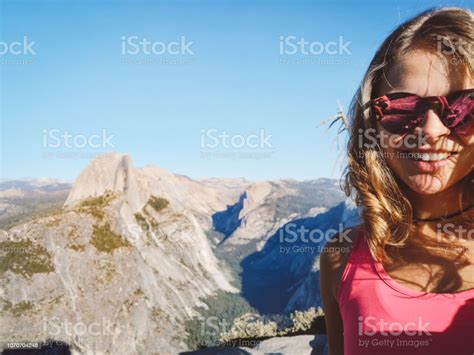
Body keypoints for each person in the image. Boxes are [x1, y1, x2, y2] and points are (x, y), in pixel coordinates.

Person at [320, 7, 474, 355]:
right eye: (402, 108)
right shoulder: (340, 257)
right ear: (373, 123)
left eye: (463, 108)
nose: (430, 131)